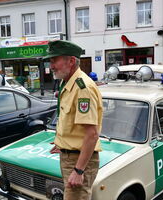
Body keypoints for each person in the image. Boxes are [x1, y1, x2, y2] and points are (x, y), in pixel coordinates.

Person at [46, 40, 103, 200]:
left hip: (79, 160)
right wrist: (63, 143)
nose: (51, 66)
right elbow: (72, 122)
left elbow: (92, 134)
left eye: (54, 60)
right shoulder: (68, 82)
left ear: (71, 61)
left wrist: (79, 170)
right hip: (71, 156)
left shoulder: (82, 88)